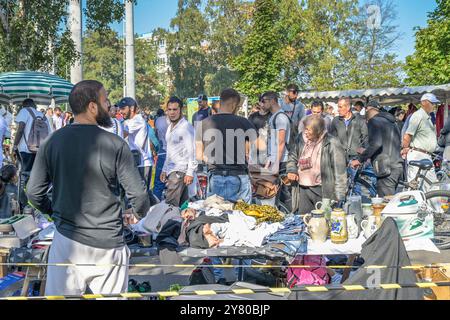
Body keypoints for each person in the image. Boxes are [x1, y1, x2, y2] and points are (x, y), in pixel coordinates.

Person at [26, 80, 150, 297]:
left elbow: (33, 192)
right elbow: (139, 195)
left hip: (66, 240)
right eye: (105, 101)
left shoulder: (52, 142)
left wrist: (54, 212)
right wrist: (137, 214)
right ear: (92, 107)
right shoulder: (115, 144)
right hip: (108, 244)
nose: (109, 106)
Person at [196, 88, 257, 204]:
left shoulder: (202, 124)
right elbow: (261, 146)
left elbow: (199, 155)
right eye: (238, 107)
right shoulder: (243, 122)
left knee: (216, 216)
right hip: (238, 176)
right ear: (234, 105)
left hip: (215, 177)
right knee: (242, 218)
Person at [287, 115, 347, 214]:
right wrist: (291, 170)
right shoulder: (300, 138)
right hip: (303, 188)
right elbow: (292, 156)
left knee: (323, 222)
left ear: (318, 131)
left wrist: (339, 196)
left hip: (322, 190)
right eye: (305, 128)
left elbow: (339, 171)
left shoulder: (331, 142)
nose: (305, 132)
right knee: (304, 220)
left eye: (308, 130)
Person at [350, 101, 403, 197]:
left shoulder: (373, 121)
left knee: (385, 204)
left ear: (367, 120)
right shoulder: (392, 122)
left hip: (386, 168)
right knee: (390, 201)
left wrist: (360, 159)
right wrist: (368, 151)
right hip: (397, 165)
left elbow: (376, 144)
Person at [160, 97, 197, 207]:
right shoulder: (170, 127)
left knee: (169, 206)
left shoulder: (185, 127)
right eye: (169, 109)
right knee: (181, 207)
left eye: (175, 109)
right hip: (172, 170)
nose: (172, 113)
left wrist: (190, 172)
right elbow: (169, 151)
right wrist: (164, 169)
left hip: (180, 172)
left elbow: (193, 151)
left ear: (181, 110)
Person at [259, 91, 292, 209]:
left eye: (264, 101)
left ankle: (290, 219)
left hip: (282, 162)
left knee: (284, 195)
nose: (261, 104)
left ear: (272, 100)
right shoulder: (275, 116)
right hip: (276, 160)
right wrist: (269, 159)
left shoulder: (281, 118)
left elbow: (281, 143)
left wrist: (276, 164)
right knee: (275, 196)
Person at [401, 93, 440, 190]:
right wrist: (405, 148)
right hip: (418, 155)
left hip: (426, 155)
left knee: (432, 187)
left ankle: (432, 205)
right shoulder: (418, 115)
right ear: (424, 102)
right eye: (432, 103)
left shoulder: (427, 117)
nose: (434, 106)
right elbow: (407, 135)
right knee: (415, 188)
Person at [118, 97, 156, 193]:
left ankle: (160, 207)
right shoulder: (129, 121)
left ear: (131, 108)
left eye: (123, 109)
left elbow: (121, 134)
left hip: (143, 163)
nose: (121, 112)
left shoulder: (137, 120)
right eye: (120, 109)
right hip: (137, 162)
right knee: (140, 195)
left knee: (142, 195)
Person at [13, 99, 52, 173]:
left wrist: (15, 145)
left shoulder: (24, 110)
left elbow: (20, 129)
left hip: (25, 149)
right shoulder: (43, 116)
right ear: (34, 105)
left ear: (24, 105)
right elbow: (49, 134)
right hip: (40, 150)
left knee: (24, 174)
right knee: (35, 174)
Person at [153, 108, 170, 200]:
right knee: (174, 183)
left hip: (162, 152)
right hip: (173, 154)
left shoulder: (158, 120)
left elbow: (155, 134)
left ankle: (155, 206)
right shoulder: (175, 121)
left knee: (159, 183)